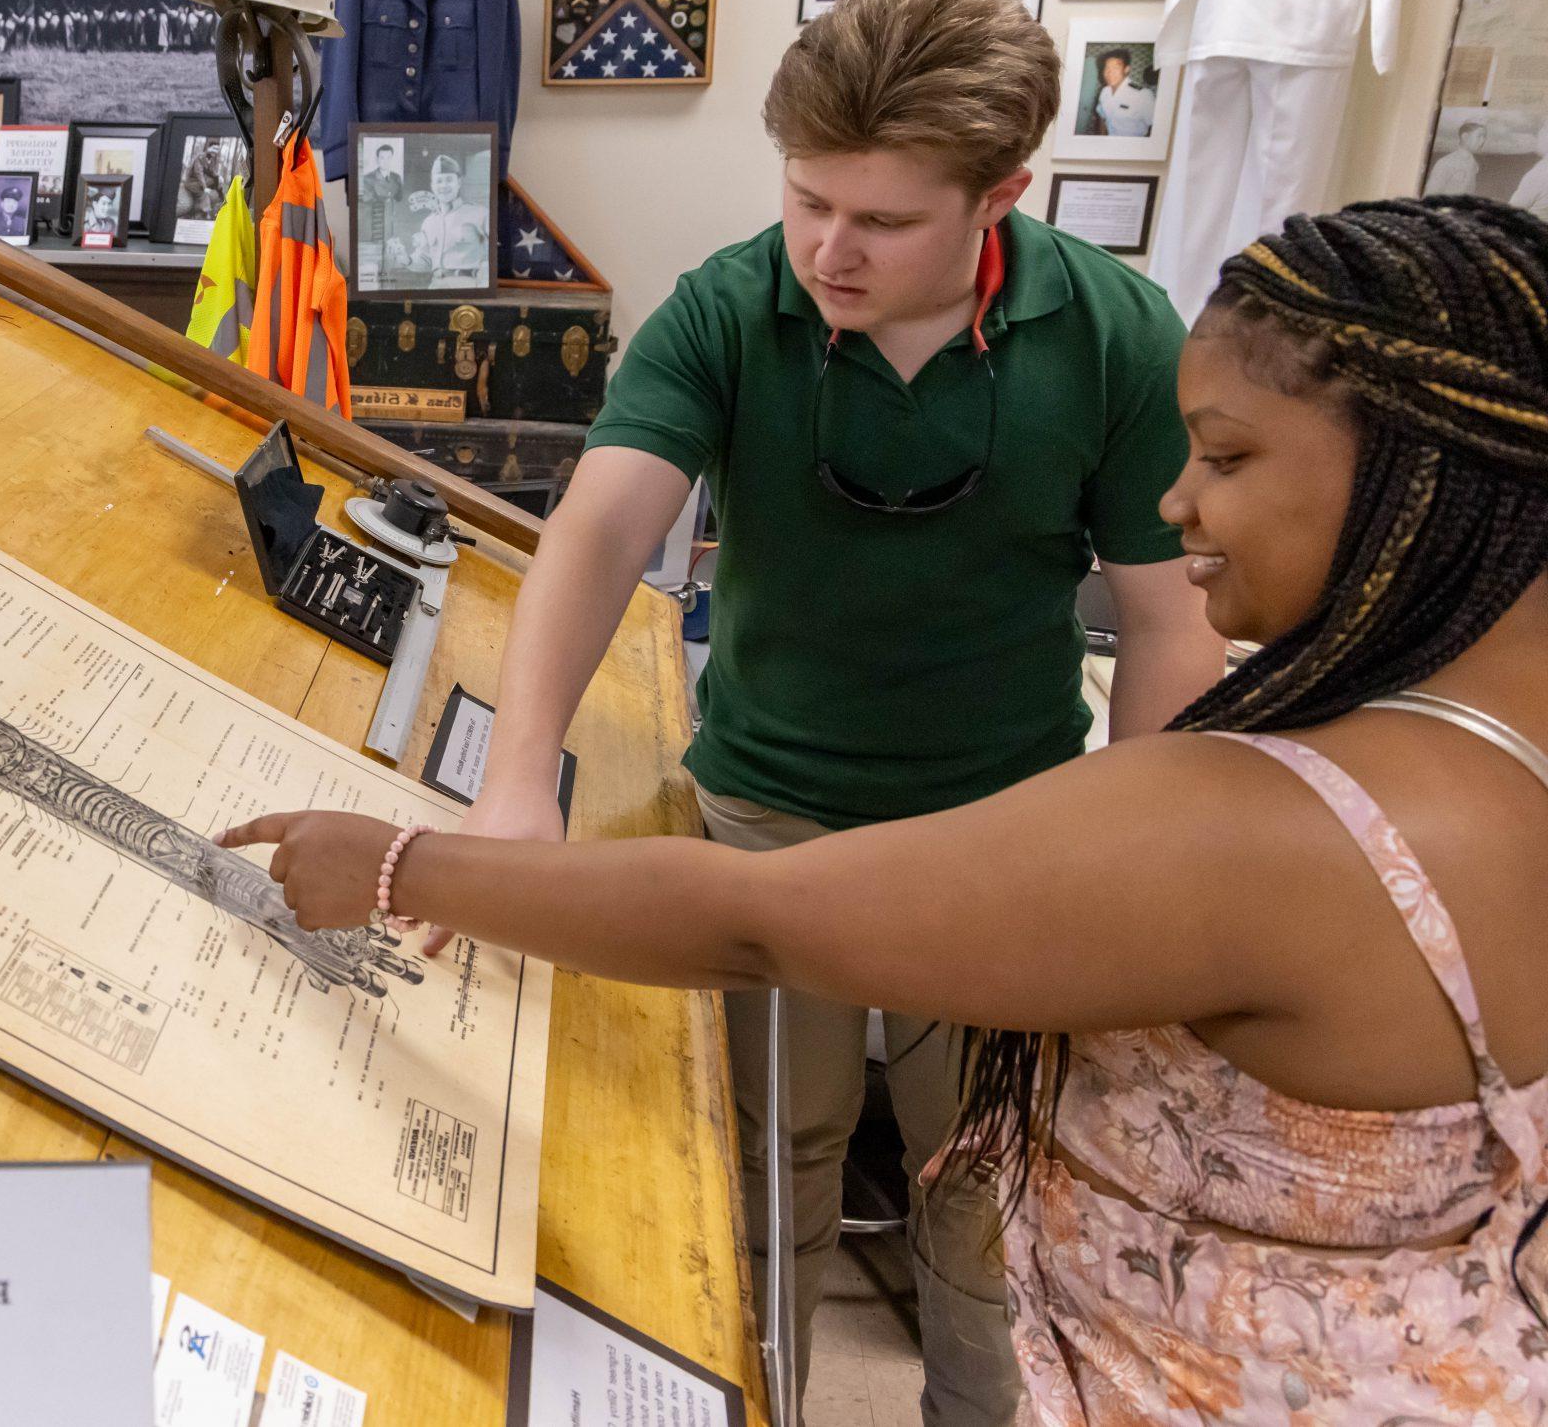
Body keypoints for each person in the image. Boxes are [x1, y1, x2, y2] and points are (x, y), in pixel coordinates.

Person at [234, 194, 1548, 1427]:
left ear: (1424, 471)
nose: (1173, 499)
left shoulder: (1261, 825)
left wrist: (405, 861)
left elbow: (758, 927)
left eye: (1228, 456)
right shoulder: (1492, 744)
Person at [302, 0, 1226, 1426]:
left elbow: (1172, 623)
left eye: (880, 219)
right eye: (807, 199)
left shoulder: (1116, 331)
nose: (827, 249)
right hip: (764, 825)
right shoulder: (735, 307)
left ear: (1001, 195)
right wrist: (516, 777)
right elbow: (599, 528)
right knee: (759, 1185)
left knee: (994, 1205)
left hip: (1013, 842)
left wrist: (1141, 868)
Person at [406, 153, 489, 289]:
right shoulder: (428, 222)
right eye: (439, 181)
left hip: (468, 286)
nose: (444, 186)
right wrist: (406, 259)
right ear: (432, 185)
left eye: (449, 180)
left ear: (459, 183)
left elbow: (493, 254)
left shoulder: (480, 214)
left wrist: (483, 284)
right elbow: (425, 261)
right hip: (436, 286)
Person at [1092, 50, 1154, 138]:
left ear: (1126, 69)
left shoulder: (1143, 95)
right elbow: (1102, 117)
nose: (1109, 72)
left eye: (1115, 68)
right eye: (1107, 68)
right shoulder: (1104, 92)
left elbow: (1156, 128)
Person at [1425, 120, 1487, 197]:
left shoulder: (1474, 164)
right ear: (1465, 137)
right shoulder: (1445, 163)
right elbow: (1430, 195)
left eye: (1484, 137)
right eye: (1479, 136)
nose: (1482, 141)